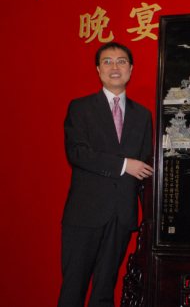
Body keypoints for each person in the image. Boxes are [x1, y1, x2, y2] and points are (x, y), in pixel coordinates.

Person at [58, 42, 154, 307]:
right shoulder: (80, 108)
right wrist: (124, 165)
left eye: (121, 61)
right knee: (73, 290)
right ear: (98, 70)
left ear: (131, 69)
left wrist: (151, 217)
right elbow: (77, 153)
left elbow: (145, 165)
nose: (115, 67)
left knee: (104, 291)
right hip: (85, 214)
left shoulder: (143, 115)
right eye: (107, 61)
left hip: (121, 215)